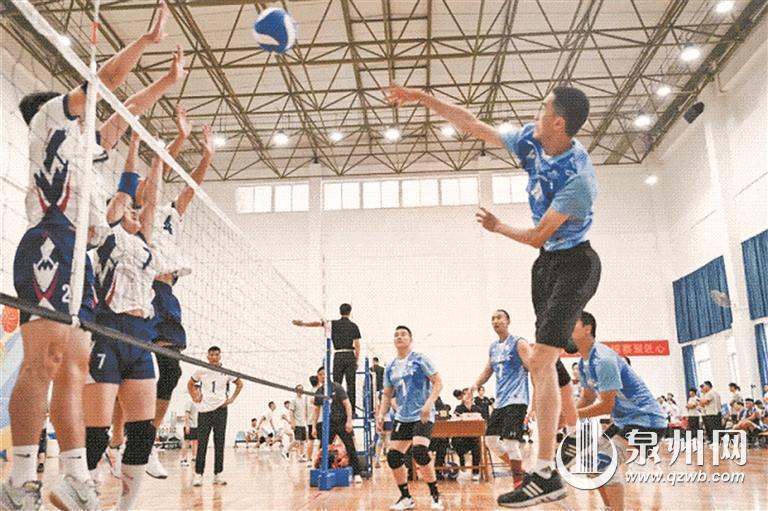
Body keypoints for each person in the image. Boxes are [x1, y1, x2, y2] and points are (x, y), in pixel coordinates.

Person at [385, 83, 598, 507]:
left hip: (576, 264)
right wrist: (422, 97)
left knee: (541, 360)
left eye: (543, 110)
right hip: (546, 266)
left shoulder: (578, 179)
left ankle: (546, 471)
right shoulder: (532, 140)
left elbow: (537, 235)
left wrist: (498, 227)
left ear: (558, 122)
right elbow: (471, 124)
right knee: (544, 364)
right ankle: (565, 446)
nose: (535, 114)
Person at [1, 4, 179, 509]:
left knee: (74, 366)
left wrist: (167, 82)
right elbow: (105, 84)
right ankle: (19, 480)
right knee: (45, 360)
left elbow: (127, 113)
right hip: (51, 242)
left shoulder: (84, 146)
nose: (91, 113)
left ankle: (73, 475)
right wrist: (145, 42)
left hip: (79, 252)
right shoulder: (49, 120)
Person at [82, 127, 167, 510]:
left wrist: (160, 158)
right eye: (129, 210)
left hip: (140, 337)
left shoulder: (145, 244)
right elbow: (127, 190)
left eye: (137, 211)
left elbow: (152, 200)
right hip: (107, 332)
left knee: (142, 432)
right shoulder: (107, 234)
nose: (135, 212)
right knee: (96, 432)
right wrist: (133, 144)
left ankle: (125, 506)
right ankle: (84, 491)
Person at [567, 311, 667, 511]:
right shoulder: (584, 364)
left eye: (572, 324)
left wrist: (571, 416)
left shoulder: (604, 359)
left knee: (603, 462)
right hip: (624, 422)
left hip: (647, 421)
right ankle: (609, 507)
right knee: (590, 464)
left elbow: (606, 406)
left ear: (587, 329)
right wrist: (566, 416)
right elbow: (587, 398)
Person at [376, 325, 444, 510]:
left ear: (410, 339)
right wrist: (381, 414)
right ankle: (406, 497)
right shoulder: (390, 366)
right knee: (393, 457)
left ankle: (435, 495)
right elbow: (387, 394)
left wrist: (429, 404)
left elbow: (438, 382)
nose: (399, 337)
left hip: (422, 414)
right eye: (396, 335)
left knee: (420, 451)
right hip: (402, 416)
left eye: (403, 334)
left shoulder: (420, 359)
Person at [470, 309, 531, 487]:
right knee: (491, 441)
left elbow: (533, 369)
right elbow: (488, 370)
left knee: (511, 443)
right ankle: (522, 472)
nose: (495, 321)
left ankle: (518, 483)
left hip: (517, 399)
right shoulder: (493, 347)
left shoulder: (519, 343)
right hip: (501, 402)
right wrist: (475, 385)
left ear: (508, 321)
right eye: (493, 318)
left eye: (499, 318)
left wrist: (535, 403)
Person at [188, 346, 243, 487]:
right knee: (202, 443)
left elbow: (239, 384)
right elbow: (190, 384)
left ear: (220, 356)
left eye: (216, 355)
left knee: (219, 442)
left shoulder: (226, 371)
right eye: (211, 355)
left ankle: (218, 474)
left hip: (221, 410)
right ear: (207, 356)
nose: (214, 357)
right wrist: (195, 396)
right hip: (204, 410)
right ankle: (198, 475)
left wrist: (231, 399)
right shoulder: (201, 370)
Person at [294, 303, 362, 415]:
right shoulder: (354, 326)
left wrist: (303, 324)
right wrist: (356, 360)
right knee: (351, 385)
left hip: (338, 356)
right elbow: (357, 346)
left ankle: (337, 410)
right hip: (349, 355)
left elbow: (318, 324)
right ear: (350, 312)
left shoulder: (333, 324)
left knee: (336, 384)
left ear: (340, 312)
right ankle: (352, 411)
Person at [311, 366, 363, 483]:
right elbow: (316, 411)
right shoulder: (319, 392)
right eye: (320, 375)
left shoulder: (337, 387)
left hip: (342, 422)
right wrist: (314, 427)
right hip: (328, 423)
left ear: (328, 375)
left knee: (350, 447)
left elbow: (347, 404)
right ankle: (321, 470)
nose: (322, 376)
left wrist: (349, 421)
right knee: (323, 447)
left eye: (324, 374)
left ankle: (357, 473)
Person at [453, 390, 483, 481]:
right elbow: (454, 420)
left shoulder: (477, 408)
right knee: (455, 441)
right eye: (465, 395)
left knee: (477, 447)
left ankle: (475, 472)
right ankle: (462, 460)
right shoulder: (458, 408)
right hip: (462, 437)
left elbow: (482, 421)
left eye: (469, 395)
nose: (467, 397)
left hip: (474, 436)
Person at [290, 385, 310, 462]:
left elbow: (305, 411)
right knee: (297, 440)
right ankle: (286, 450)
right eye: (299, 389)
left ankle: (301, 456)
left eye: (302, 389)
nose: (301, 391)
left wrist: (307, 422)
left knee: (302, 441)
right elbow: (291, 412)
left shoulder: (304, 400)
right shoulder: (293, 400)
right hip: (297, 423)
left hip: (303, 423)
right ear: (296, 391)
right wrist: (293, 423)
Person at [180, 398, 199, 467]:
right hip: (189, 425)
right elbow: (187, 414)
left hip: (196, 425)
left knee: (195, 442)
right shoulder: (189, 401)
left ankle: (194, 457)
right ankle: (183, 459)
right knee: (186, 442)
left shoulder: (199, 402)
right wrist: (187, 425)